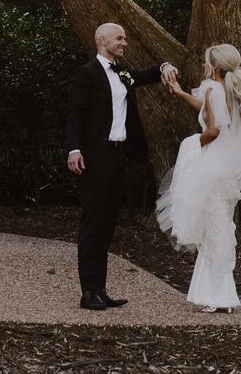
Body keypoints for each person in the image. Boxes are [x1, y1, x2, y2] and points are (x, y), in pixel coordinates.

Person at [64, 22, 178, 311]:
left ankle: (100, 290)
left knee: (107, 224)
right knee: (92, 222)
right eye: (119, 38)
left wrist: (164, 66)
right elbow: (74, 115)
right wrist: (74, 149)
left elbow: (147, 74)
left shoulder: (124, 73)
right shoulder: (86, 74)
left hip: (118, 156)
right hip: (94, 155)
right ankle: (88, 291)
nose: (124, 43)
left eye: (125, 38)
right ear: (102, 40)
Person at [155, 43, 241, 313]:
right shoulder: (232, 90)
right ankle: (219, 290)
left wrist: (192, 143)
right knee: (219, 226)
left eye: (206, 61)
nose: (203, 64)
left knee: (214, 230)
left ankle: (220, 295)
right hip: (229, 173)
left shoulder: (214, 88)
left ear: (216, 66)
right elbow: (209, 109)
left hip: (213, 168)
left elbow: (212, 130)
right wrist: (180, 94)